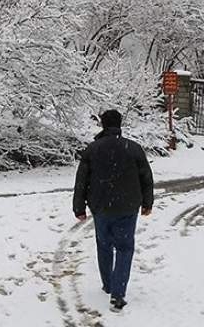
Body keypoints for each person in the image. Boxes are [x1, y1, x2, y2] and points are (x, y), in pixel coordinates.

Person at [72, 109, 154, 313]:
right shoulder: (133, 149)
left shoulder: (92, 149)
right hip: (127, 207)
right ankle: (118, 294)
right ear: (120, 124)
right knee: (125, 248)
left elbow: (81, 180)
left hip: (100, 208)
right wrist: (147, 203)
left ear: (102, 124)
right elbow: (146, 177)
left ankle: (108, 283)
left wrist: (79, 207)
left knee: (104, 245)